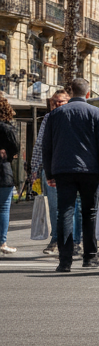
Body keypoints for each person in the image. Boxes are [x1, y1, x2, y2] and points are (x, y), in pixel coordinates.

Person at [42, 78, 99, 272]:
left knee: (64, 212)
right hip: (89, 170)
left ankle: (64, 261)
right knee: (89, 213)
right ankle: (89, 257)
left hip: (63, 170)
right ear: (88, 94)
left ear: (70, 92)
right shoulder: (96, 113)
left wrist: (49, 173)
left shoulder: (54, 115)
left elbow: (46, 147)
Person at [31, 90, 83, 257]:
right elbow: (40, 144)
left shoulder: (77, 117)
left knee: (74, 206)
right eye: (55, 102)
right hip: (52, 168)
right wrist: (34, 169)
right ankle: (56, 239)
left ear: (69, 101)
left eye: (61, 101)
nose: (58, 104)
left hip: (73, 168)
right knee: (54, 207)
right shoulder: (49, 118)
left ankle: (75, 241)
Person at [0, 95, 21, 256]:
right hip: (2, 172)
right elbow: (15, 147)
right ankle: (2, 242)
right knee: (3, 208)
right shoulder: (7, 128)